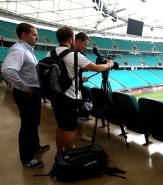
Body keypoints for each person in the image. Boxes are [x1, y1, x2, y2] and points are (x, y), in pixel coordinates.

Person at [49, 27, 113, 153]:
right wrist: (109, 64)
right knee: (69, 129)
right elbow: (97, 68)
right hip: (70, 97)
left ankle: (59, 153)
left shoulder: (51, 53)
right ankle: (68, 155)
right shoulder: (73, 55)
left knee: (61, 126)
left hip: (56, 95)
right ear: (70, 39)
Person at [1, 23, 50, 168]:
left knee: (34, 123)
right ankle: (27, 158)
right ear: (24, 35)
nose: (37, 37)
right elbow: (7, 70)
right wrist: (23, 87)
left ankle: (35, 146)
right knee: (28, 125)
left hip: (33, 92)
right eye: (34, 34)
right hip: (27, 93)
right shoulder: (19, 49)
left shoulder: (27, 49)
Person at [74, 32, 92, 142]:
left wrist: (80, 78)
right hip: (73, 90)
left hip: (77, 88)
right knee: (73, 116)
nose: (85, 48)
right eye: (85, 45)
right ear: (78, 41)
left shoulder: (80, 55)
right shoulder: (72, 55)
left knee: (78, 113)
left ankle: (80, 134)